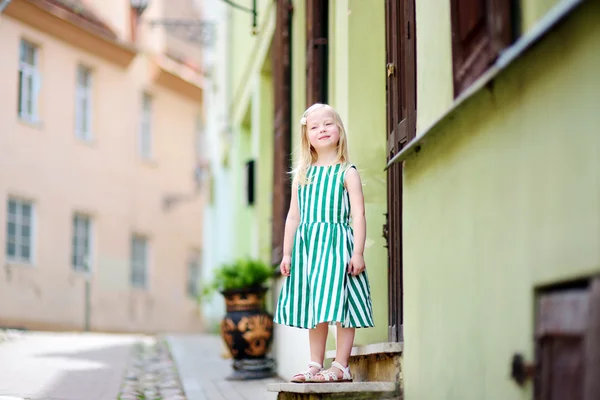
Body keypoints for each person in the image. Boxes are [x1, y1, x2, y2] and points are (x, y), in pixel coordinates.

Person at [273, 103, 374, 383]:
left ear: (339, 130)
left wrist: (358, 252)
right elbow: (293, 216)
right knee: (315, 308)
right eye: (314, 127)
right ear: (307, 137)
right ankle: (315, 364)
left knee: (343, 307)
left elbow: (358, 214)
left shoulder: (347, 172)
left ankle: (341, 365)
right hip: (309, 251)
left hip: (337, 247)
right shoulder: (302, 175)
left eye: (328, 124)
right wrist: (288, 253)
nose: (322, 130)